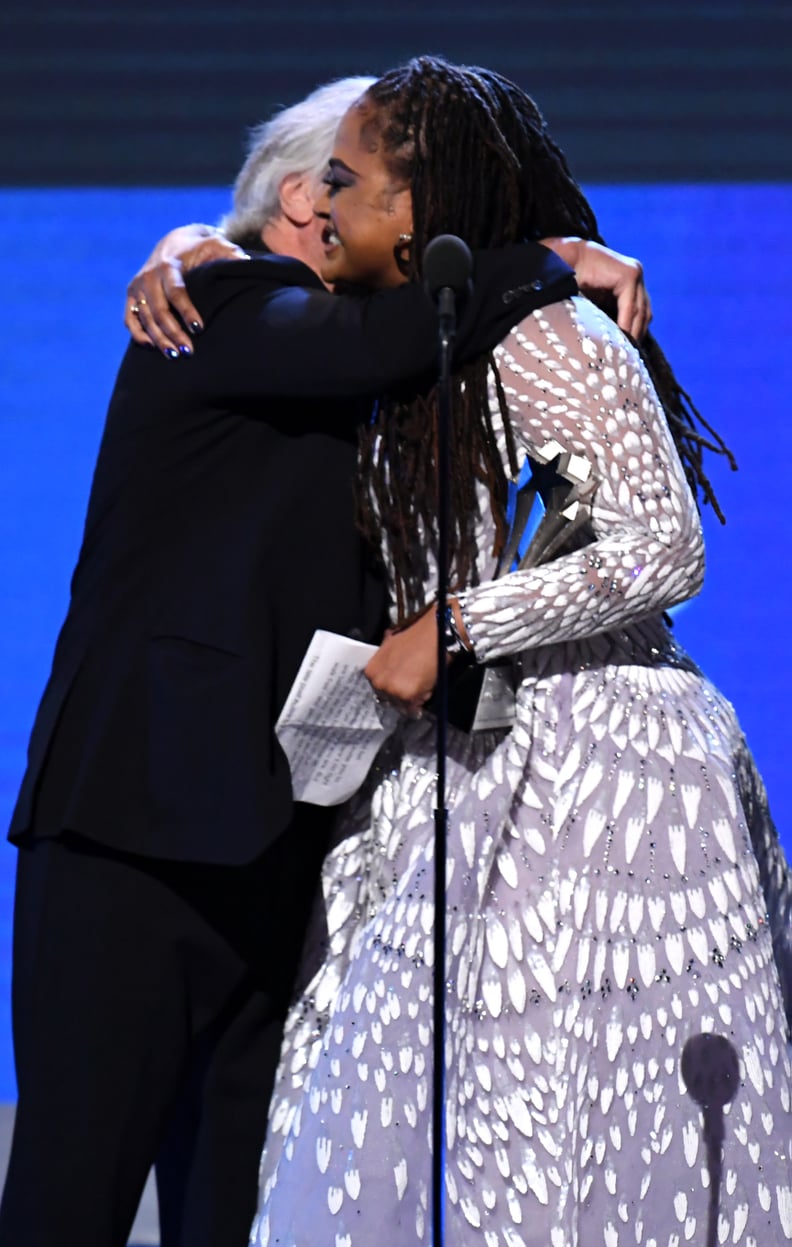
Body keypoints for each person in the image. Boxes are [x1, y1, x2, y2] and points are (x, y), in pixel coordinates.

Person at [0, 75, 649, 1247]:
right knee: (71, 1189)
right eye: (346, 184)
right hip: (131, 835)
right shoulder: (216, 301)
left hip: (282, 841)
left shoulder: (369, 370)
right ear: (302, 196)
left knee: (233, 1204)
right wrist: (544, 255)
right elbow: (375, 339)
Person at [240, 59, 792, 1247]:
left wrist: (457, 626)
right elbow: (232, 266)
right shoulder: (409, 347)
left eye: (344, 180)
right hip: (468, 764)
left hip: (599, 788)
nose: (315, 202)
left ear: (419, 207)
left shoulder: (549, 336)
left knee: (566, 1127)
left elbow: (662, 544)